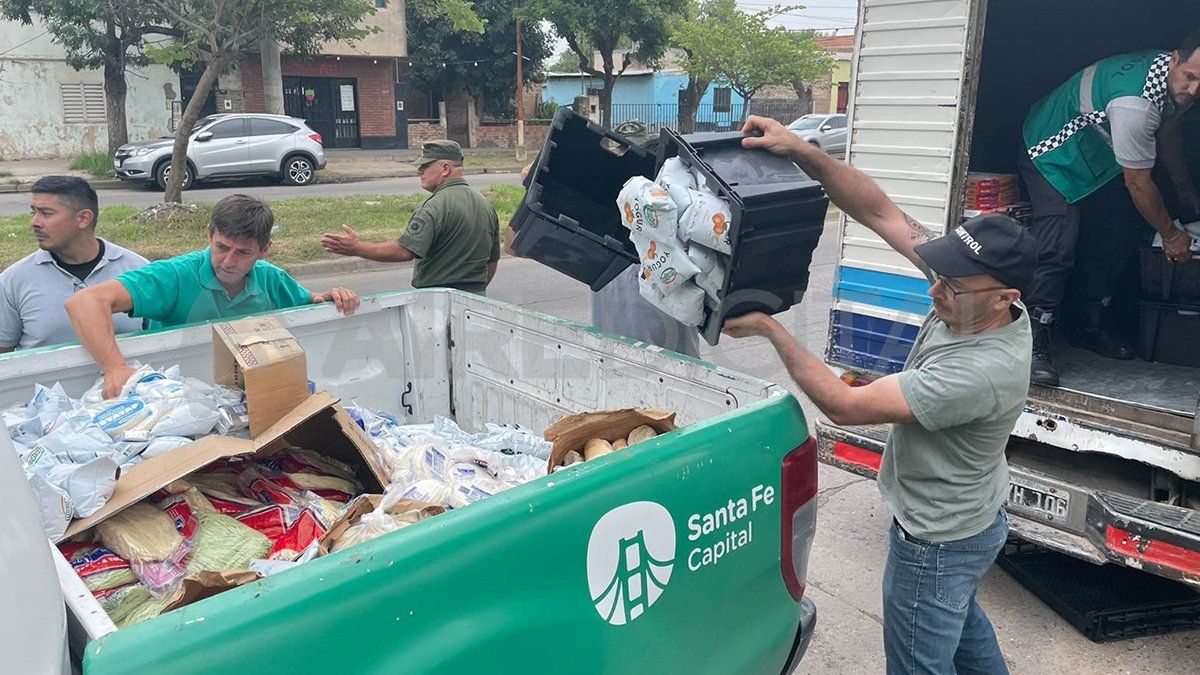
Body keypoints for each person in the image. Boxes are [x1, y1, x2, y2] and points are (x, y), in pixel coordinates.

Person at [723, 115, 1037, 675]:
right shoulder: (976, 291)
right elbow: (879, 211)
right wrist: (802, 151)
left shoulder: (981, 371)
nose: (935, 289)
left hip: (937, 541)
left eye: (952, 287)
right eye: (939, 273)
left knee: (919, 661)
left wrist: (773, 330)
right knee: (963, 631)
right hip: (974, 520)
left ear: (1004, 298)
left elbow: (843, 408)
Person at [1019, 30, 1200, 385]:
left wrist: (1185, 190)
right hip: (1053, 151)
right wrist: (1170, 235)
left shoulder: (1174, 84)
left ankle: (1087, 325)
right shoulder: (1135, 103)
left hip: (1098, 158)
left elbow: (1167, 132)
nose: (1193, 90)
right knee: (1057, 244)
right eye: (1190, 77)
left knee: (1118, 233)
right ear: (1175, 59)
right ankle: (1030, 344)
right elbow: (1138, 183)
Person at [65, 194, 360, 398]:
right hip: (179, 398)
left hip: (248, 396)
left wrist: (332, 297)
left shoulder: (270, 278)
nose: (229, 262)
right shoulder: (175, 275)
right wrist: (115, 368)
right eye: (222, 247)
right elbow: (85, 302)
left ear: (264, 250)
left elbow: (308, 305)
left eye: (243, 253)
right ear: (209, 235)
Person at [504, 134, 701, 358]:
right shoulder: (605, 229)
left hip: (671, 371)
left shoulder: (692, 241)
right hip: (626, 367)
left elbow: (512, 245)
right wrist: (535, 188)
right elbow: (514, 245)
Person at [321, 140, 500, 295]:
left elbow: (404, 251)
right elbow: (492, 262)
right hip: (476, 299)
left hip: (438, 300)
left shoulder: (434, 206)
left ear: (445, 168)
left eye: (425, 166)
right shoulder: (486, 205)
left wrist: (356, 248)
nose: (419, 171)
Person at [0, 176, 147, 352]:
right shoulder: (12, 281)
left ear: (84, 218)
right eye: (34, 212)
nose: (35, 222)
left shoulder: (139, 271)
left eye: (46, 213)